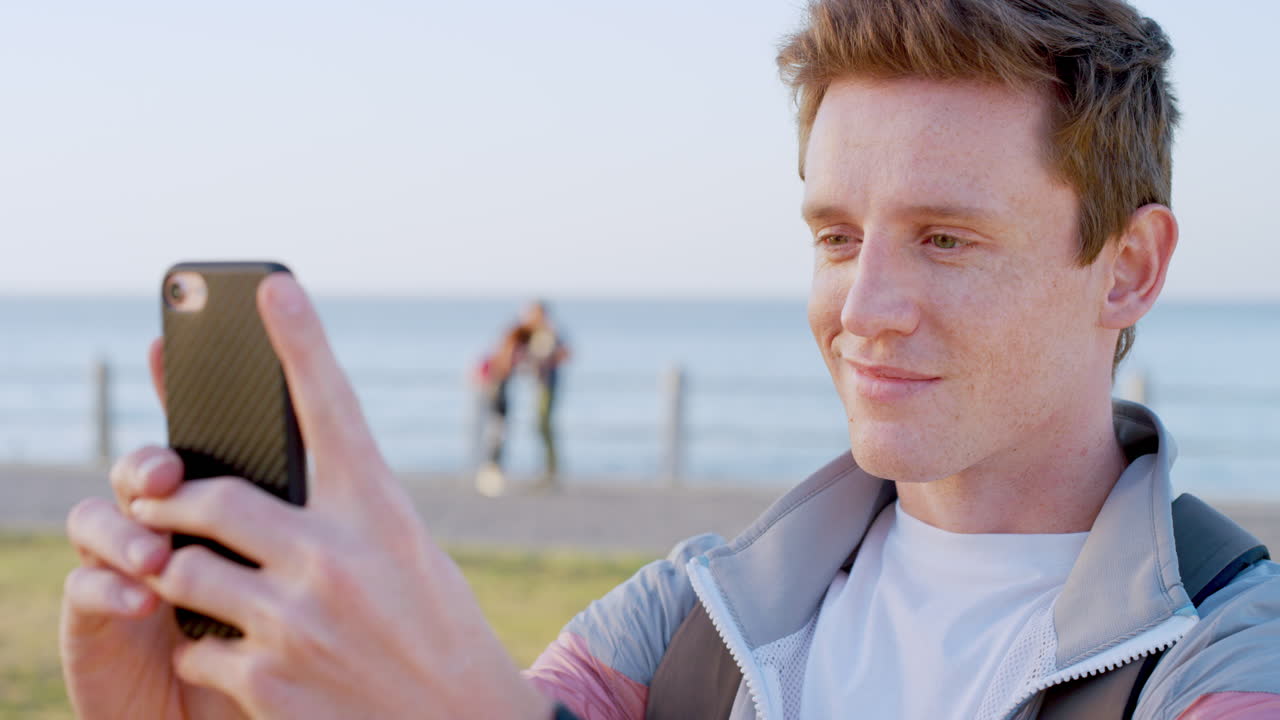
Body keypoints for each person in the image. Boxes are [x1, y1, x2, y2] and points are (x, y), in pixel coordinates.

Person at [59, 2, 1280, 720]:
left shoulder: (1228, 662)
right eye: (835, 235)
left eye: (945, 240)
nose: (862, 309)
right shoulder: (686, 616)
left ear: (1125, 269)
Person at [472, 323, 533, 497]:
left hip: (495, 391)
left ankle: (491, 471)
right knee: (497, 432)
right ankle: (491, 473)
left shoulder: (503, 348)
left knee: (495, 432)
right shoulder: (510, 350)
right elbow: (505, 369)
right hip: (497, 392)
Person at [520, 300, 570, 490]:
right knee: (540, 426)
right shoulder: (534, 333)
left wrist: (548, 360)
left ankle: (551, 471)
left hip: (548, 386)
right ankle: (546, 470)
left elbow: (566, 353)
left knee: (544, 425)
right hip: (539, 385)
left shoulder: (551, 331)